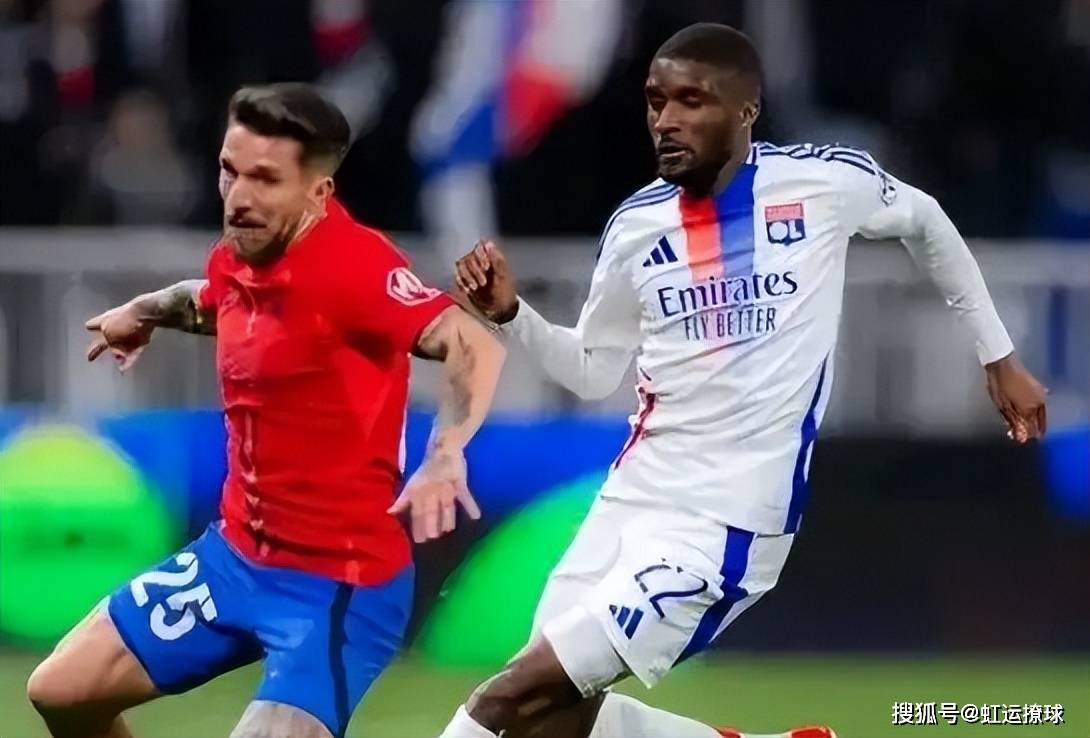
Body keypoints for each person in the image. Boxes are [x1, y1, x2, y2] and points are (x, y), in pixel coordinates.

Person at [440, 23, 1048, 738]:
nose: (666, 120)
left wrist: (998, 355)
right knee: (552, 722)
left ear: (746, 110)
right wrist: (511, 316)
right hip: (631, 502)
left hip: (724, 525)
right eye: (656, 101)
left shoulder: (822, 183)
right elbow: (593, 371)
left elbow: (926, 221)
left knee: (507, 700)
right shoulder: (636, 226)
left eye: (691, 101)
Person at [26, 83, 506, 738]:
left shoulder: (355, 266)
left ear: (318, 192)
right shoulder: (241, 254)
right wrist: (144, 312)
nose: (239, 197)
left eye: (265, 179)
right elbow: (213, 299)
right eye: (230, 171)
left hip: (337, 585)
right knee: (60, 691)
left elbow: (470, 340)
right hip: (233, 559)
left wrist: (445, 453)